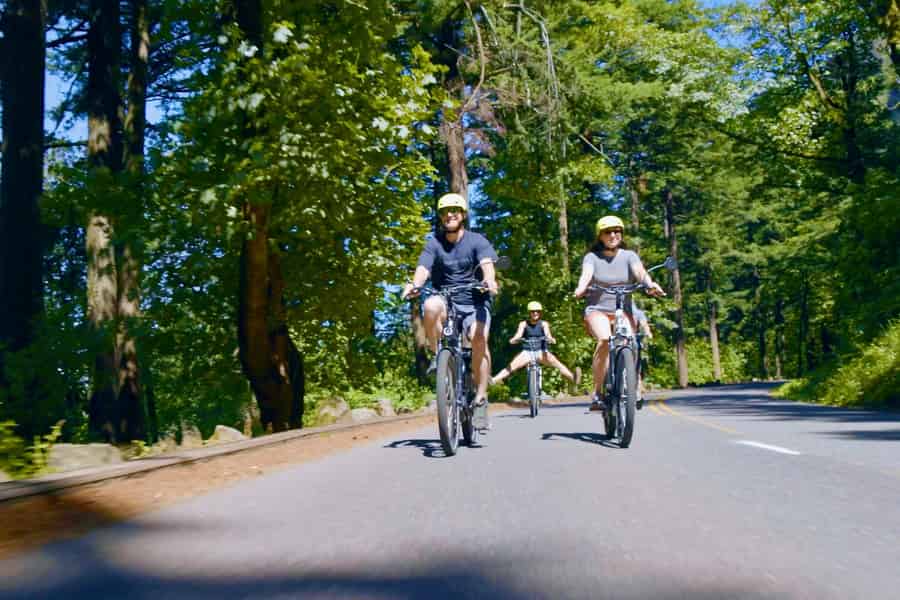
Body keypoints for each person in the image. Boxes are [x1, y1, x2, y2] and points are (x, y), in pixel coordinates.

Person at [402, 192, 499, 427]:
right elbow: (423, 268)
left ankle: (480, 397)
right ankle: (439, 356)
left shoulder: (477, 241)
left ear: (463, 215)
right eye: (445, 212)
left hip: (475, 300)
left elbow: (487, 265)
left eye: (454, 211)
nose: (450, 215)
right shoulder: (434, 243)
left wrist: (489, 280)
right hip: (446, 299)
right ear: (441, 217)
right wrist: (415, 284)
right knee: (429, 305)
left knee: (479, 337)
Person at [573, 215, 664, 411]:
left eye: (617, 231)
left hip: (623, 310)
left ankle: (635, 386)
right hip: (598, 310)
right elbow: (586, 275)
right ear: (600, 236)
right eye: (608, 232)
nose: (613, 235)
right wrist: (580, 288)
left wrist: (650, 284)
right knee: (605, 340)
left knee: (632, 343)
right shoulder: (592, 258)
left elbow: (640, 273)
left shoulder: (629, 255)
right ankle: (597, 393)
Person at [490, 301, 581, 392]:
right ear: (529, 313)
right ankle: (493, 380)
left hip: (541, 351)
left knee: (558, 364)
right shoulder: (523, 324)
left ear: (540, 313)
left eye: (537, 311)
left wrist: (551, 339)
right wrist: (514, 339)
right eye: (533, 311)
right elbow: (518, 335)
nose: (535, 313)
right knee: (511, 367)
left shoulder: (544, 324)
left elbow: (548, 334)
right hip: (527, 352)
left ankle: (574, 378)